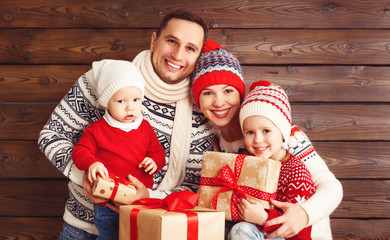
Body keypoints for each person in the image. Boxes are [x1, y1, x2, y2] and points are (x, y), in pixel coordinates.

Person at [38, 10, 214, 239]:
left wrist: (148, 197)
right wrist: (86, 178)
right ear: (154, 41)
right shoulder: (105, 79)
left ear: (198, 55)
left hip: (147, 230)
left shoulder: (201, 111)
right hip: (82, 228)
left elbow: (192, 187)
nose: (178, 55)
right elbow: (52, 135)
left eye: (190, 48)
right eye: (172, 41)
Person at [192, 40, 342, 238]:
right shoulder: (213, 144)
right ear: (197, 99)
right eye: (208, 93)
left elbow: (331, 186)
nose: (219, 102)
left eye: (228, 90)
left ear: (240, 93)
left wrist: (304, 214)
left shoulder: (285, 135)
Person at [72, 59, 166, 239]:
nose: (130, 107)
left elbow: (158, 152)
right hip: (108, 202)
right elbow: (80, 151)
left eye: (136, 100)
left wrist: (154, 161)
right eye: (121, 101)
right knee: (110, 234)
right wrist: (92, 164)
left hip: (139, 201)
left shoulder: (145, 127)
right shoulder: (97, 129)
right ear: (107, 102)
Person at [229, 80, 330, 239]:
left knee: (242, 230)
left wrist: (263, 218)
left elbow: (300, 230)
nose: (258, 140)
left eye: (266, 130)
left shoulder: (296, 173)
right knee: (239, 229)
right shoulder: (247, 164)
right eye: (250, 132)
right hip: (259, 231)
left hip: (290, 236)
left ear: (283, 132)